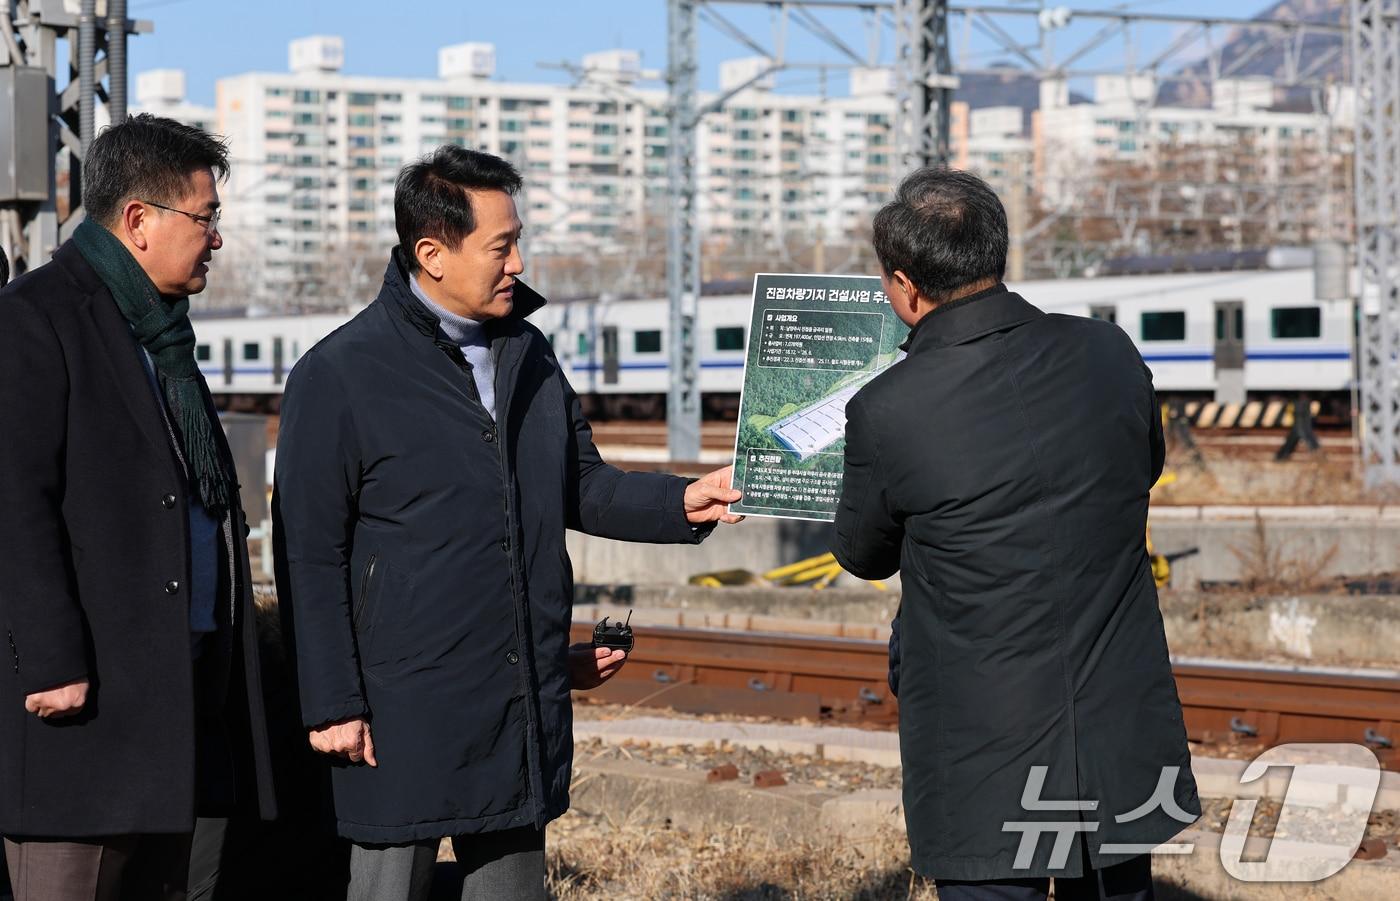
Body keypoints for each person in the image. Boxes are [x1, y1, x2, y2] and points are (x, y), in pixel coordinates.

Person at [273, 145, 743, 901]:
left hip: (513, 695)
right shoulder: (339, 375)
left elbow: (577, 483)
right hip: (399, 710)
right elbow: (309, 554)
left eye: (518, 239)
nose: (519, 262)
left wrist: (682, 500)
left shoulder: (527, 352)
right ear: (432, 253)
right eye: (501, 245)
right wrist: (332, 704)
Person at [832, 168, 1199, 901]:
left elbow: (863, 553)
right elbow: (1141, 468)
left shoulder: (888, 407)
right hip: (1115, 732)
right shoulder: (1110, 353)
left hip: (982, 751)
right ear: (998, 256)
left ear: (905, 286)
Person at [0, 115, 276, 901]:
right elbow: (16, 503)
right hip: (80, 717)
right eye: (206, 217)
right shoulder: (36, 317)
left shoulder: (162, 337)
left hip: (180, 703)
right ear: (137, 221)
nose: (216, 238)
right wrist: (55, 662)